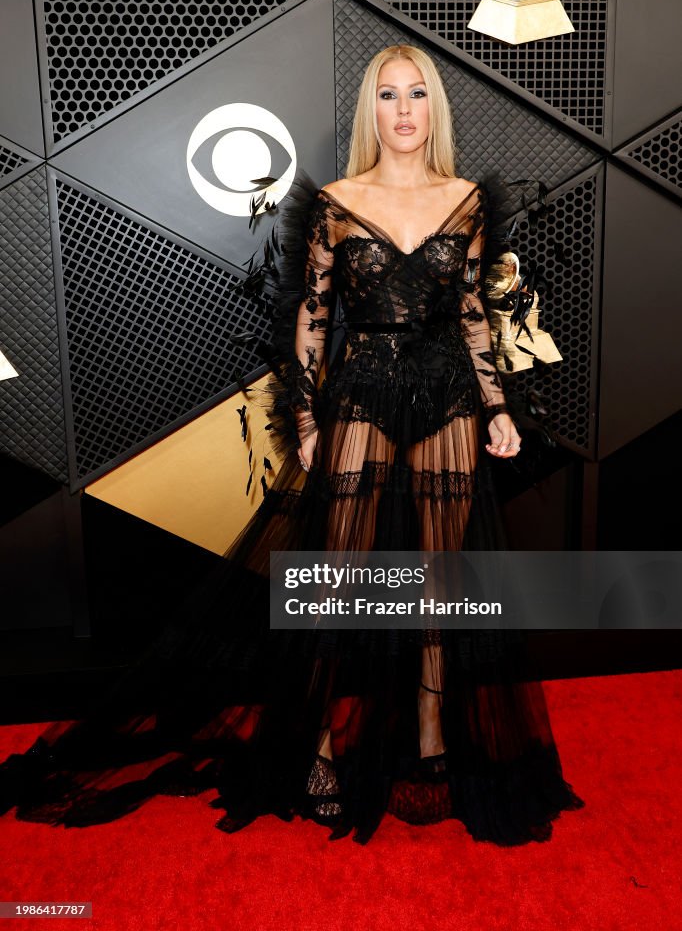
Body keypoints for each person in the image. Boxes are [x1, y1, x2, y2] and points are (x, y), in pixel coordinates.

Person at [0, 44, 584, 846]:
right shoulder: (337, 202)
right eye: (388, 94)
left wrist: (496, 407)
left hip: (448, 397)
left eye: (418, 94)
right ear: (371, 110)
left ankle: (431, 738)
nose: (405, 110)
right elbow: (311, 318)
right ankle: (316, 748)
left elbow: (475, 314)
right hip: (360, 399)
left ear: (434, 109)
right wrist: (307, 421)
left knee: (441, 588)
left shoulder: (467, 201)